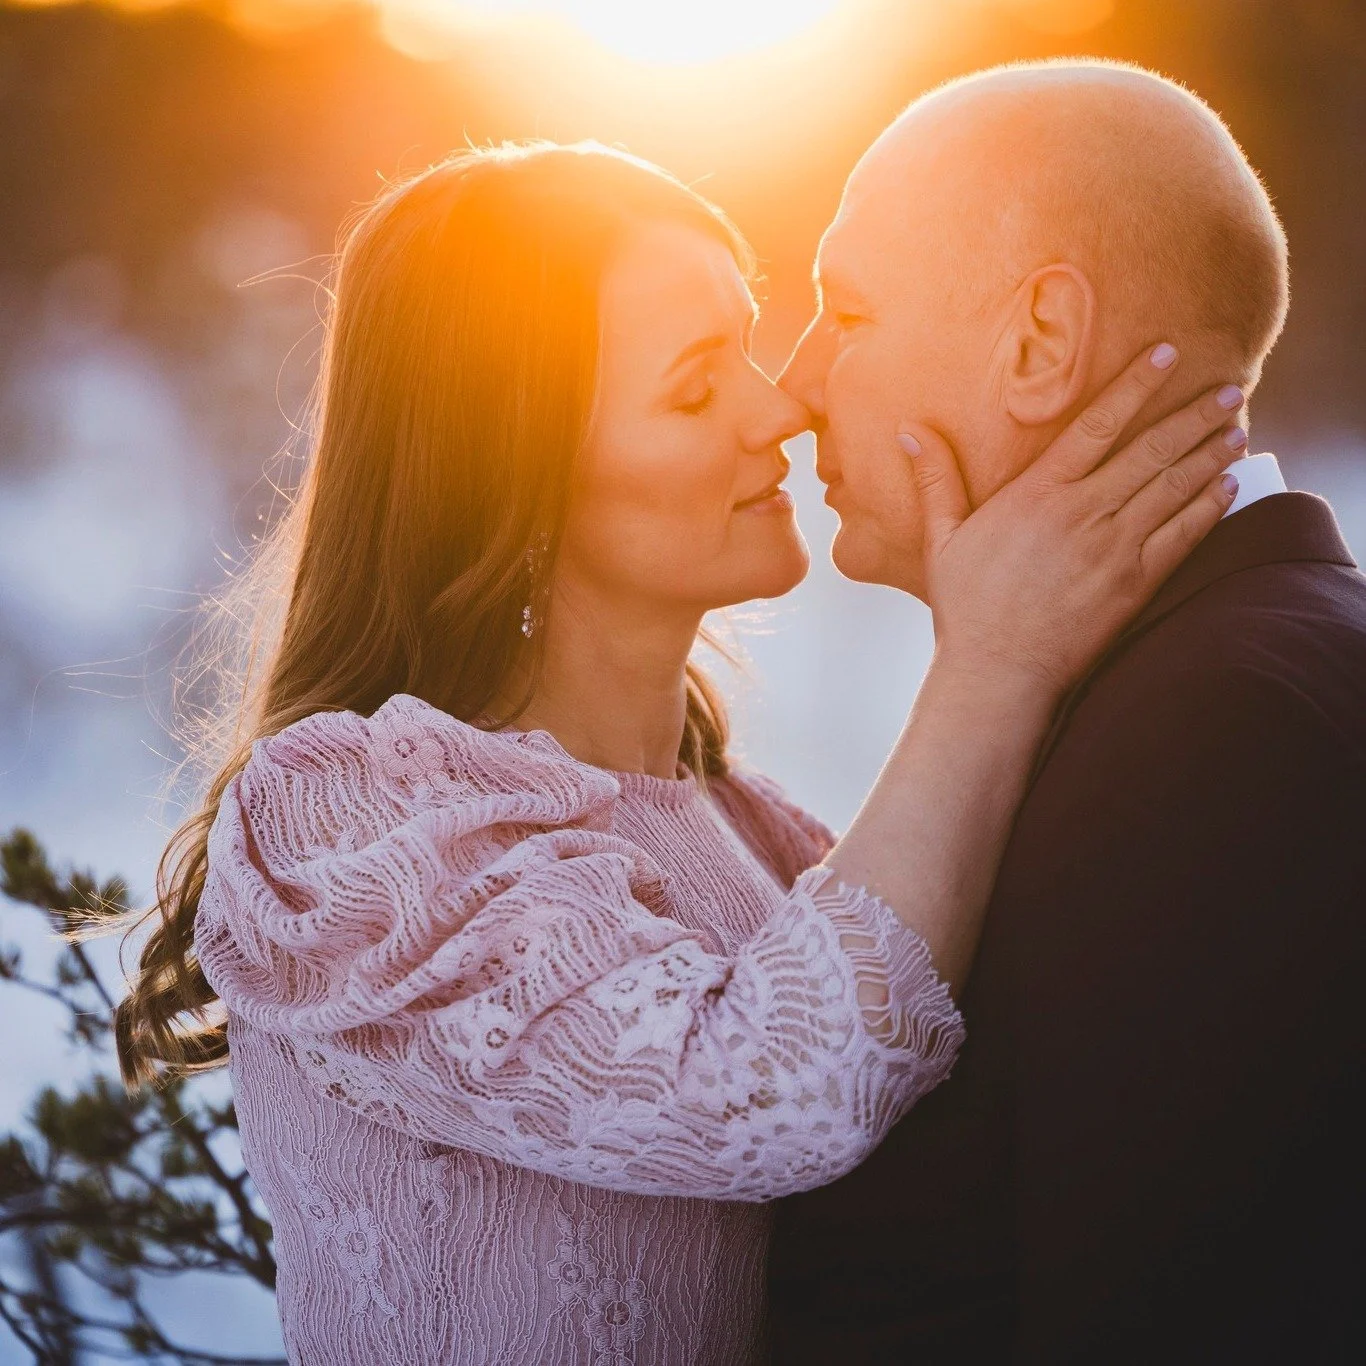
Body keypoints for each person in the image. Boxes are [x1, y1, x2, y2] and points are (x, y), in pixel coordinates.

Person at [98, 141, 1239, 1365]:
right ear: (518, 475)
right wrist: (995, 662)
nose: (783, 408)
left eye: (749, 347)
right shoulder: (349, 819)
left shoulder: (752, 829)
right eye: (697, 387)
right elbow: (772, 1088)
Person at [770, 59, 1366, 1364]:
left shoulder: (1219, 736)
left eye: (847, 310)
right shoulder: (1219, 670)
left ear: (1036, 344)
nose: (800, 382)